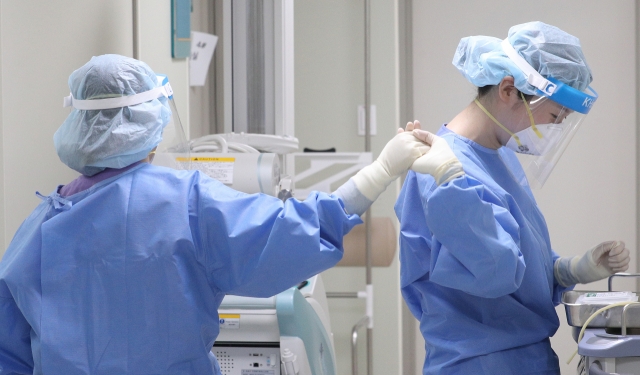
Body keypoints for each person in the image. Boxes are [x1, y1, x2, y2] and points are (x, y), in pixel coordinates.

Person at [0, 54, 434, 375]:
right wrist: (381, 172)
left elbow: (10, 355)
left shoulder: (39, 229)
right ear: (149, 126)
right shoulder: (184, 203)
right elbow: (294, 233)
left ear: (78, 129)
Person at [395, 22, 632, 374]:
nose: (554, 128)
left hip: (527, 357)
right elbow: (497, 272)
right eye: (554, 115)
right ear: (509, 89)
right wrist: (450, 182)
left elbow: (520, 263)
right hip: (477, 363)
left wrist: (569, 269)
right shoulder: (442, 172)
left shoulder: (499, 154)